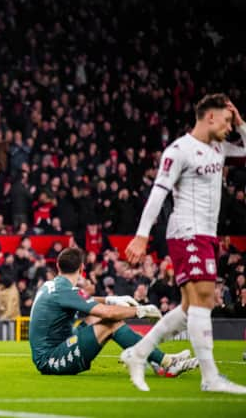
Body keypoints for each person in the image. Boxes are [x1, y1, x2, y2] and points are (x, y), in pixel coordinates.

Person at [123, 94, 246, 393]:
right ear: (210, 117)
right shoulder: (179, 150)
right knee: (204, 299)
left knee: (191, 307)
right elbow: (158, 192)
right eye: (227, 120)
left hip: (206, 234)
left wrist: (242, 125)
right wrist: (142, 235)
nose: (230, 127)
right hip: (187, 233)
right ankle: (210, 378)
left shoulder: (218, 148)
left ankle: (138, 353)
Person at [30, 247, 198, 377]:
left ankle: (155, 360)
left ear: (58, 266)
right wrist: (139, 310)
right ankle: (167, 362)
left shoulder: (54, 286)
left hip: (56, 348)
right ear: (82, 268)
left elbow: (85, 300)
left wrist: (111, 299)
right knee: (111, 323)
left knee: (93, 319)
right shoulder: (65, 290)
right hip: (51, 360)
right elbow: (107, 314)